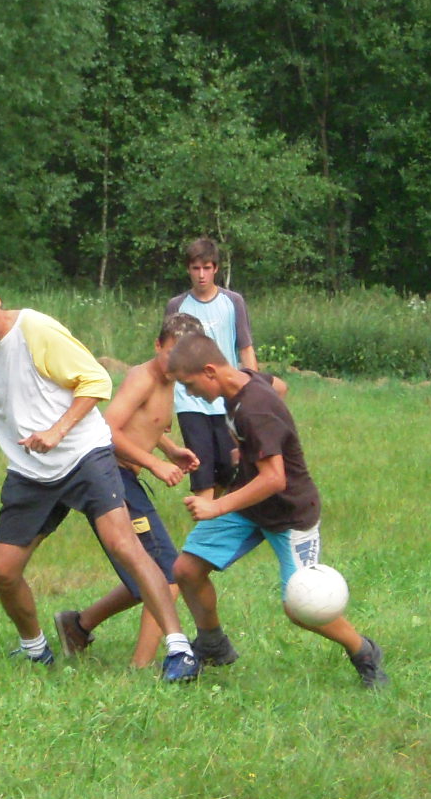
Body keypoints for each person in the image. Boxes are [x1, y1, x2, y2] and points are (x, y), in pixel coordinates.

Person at [0, 272, 201, 679]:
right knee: (3, 573)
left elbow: (96, 381)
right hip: (30, 471)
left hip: (84, 455)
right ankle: (35, 649)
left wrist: (57, 431)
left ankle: (179, 650)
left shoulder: (36, 330)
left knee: (125, 544)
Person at [167, 332, 388, 690]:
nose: (189, 394)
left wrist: (216, 505)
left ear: (209, 371)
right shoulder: (243, 381)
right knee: (187, 570)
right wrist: (251, 445)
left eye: (189, 385)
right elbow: (279, 386)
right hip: (249, 504)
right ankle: (213, 644)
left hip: (289, 514)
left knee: (301, 606)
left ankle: (364, 651)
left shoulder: (255, 408)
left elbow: (274, 479)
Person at [56, 313, 246, 672]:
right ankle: (140, 668)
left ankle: (78, 626)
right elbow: (109, 429)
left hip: (125, 478)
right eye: (171, 352)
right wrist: (155, 464)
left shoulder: (169, 379)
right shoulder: (142, 378)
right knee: (167, 575)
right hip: (113, 478)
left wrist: (170, 449)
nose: (176, 361)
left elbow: (144, 423)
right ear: (158, 345)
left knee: (145, 574)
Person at [165, 237, 268, 494]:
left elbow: (245, 348)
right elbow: (168, 357)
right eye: (195, 268)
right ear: (188, 269)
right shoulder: (176, 305)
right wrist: (164, 404)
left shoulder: (233, 302)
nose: (201, 275)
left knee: (229, 466)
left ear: (216, 269)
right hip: (189, 399)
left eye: (207, 268)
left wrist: (254, 394)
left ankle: (215, 510)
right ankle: (205, 511)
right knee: (201, 467)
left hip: (225, 397)